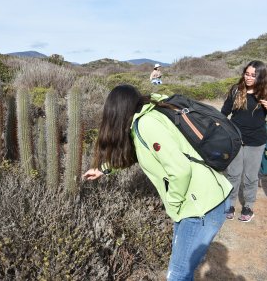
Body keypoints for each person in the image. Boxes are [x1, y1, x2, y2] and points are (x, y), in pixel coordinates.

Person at [83, 84, 232, 280]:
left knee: (177, 274)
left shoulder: (147, 124)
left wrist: (173, 202)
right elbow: (139, 154)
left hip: (201, 206)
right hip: (199, 201)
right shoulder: (145, 117)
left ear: (116, 110)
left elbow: (180, 170)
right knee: (180, 269)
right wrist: (103, 169)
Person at [221, 60, 267, 222]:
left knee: (250, 176)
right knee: (233, 174)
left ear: (261, 77)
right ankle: (230, 204)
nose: (248, 78)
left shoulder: (265, 93)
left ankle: (248, 206)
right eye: (246, 74)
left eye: (253, 75)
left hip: (256, 141)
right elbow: (224, 113)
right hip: (236, 139)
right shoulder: (236, 90)